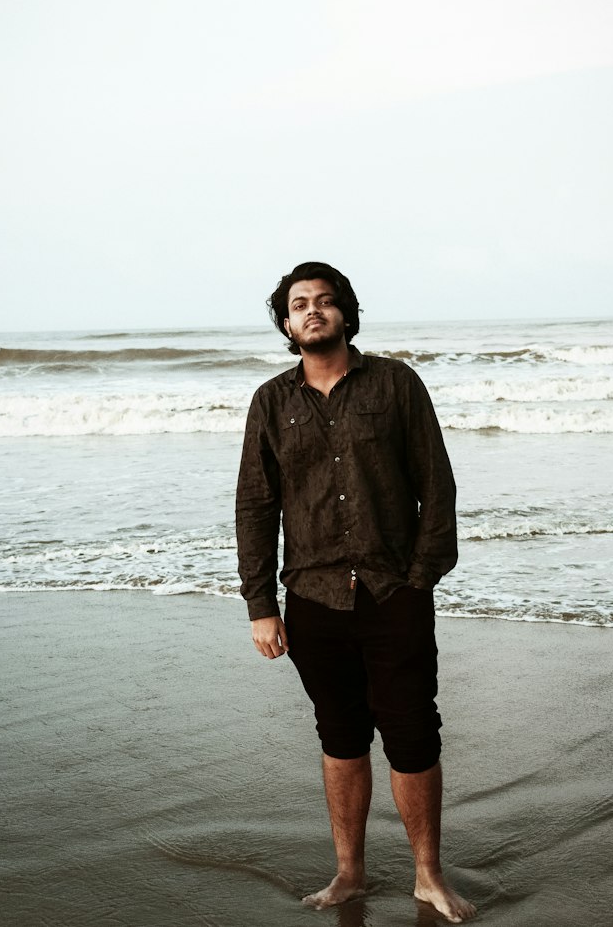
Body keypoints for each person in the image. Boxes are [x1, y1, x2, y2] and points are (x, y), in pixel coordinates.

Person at [235, 261, 476, 923]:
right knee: (339, 736)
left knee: (412, 734)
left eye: (325, 301)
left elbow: (438, 485)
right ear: (286, 323)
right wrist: (261, 605)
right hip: (313, 598)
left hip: (390, 591)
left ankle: (428, 875)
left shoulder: (396, 385)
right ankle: (349, 874)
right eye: (299, 304)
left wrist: (421, 577)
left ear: (346, 313)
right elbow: (255, 507)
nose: (313, 311)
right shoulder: (271, 402)